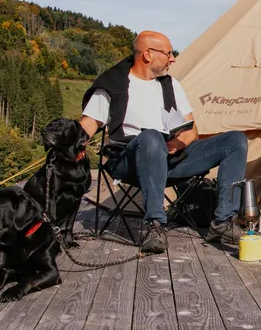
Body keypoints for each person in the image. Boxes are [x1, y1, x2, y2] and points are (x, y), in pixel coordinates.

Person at [79, 31, 248, 254]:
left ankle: (223, 221)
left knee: (235, 140)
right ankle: (155, 225)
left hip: (171, 156)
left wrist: (177, 145)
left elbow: (191, 130)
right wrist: (70, 147)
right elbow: (88, 125)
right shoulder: (113, 84)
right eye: (168, 53)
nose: (173, 59)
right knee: (151, 136)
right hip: (129, 160)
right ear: (148, 54)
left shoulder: (171, 85)